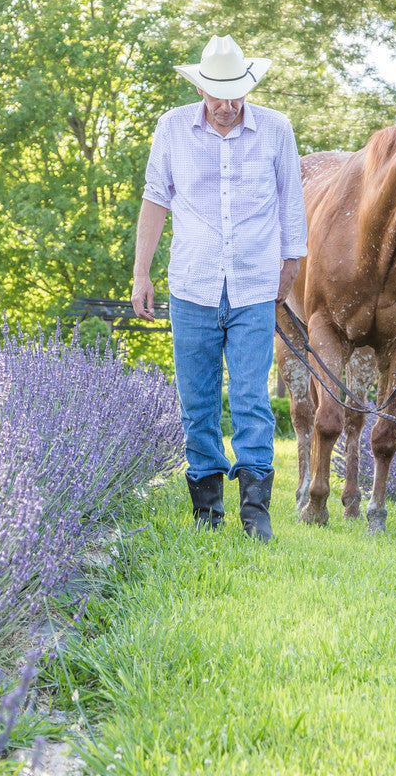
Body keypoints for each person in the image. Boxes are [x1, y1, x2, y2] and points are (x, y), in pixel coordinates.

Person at [131, 33, 308, 541]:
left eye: (237, 96)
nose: (228, 106)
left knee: (251, 395)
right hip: (192, 284)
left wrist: (291, 263)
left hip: (255, 283)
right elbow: (154, 201)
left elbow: (291, 200)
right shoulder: (171, 128)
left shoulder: (275, 128)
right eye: (218, 96)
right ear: (202, 89)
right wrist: (142, 274)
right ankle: (208, 515)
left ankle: (256, 515)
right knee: (198, 400)